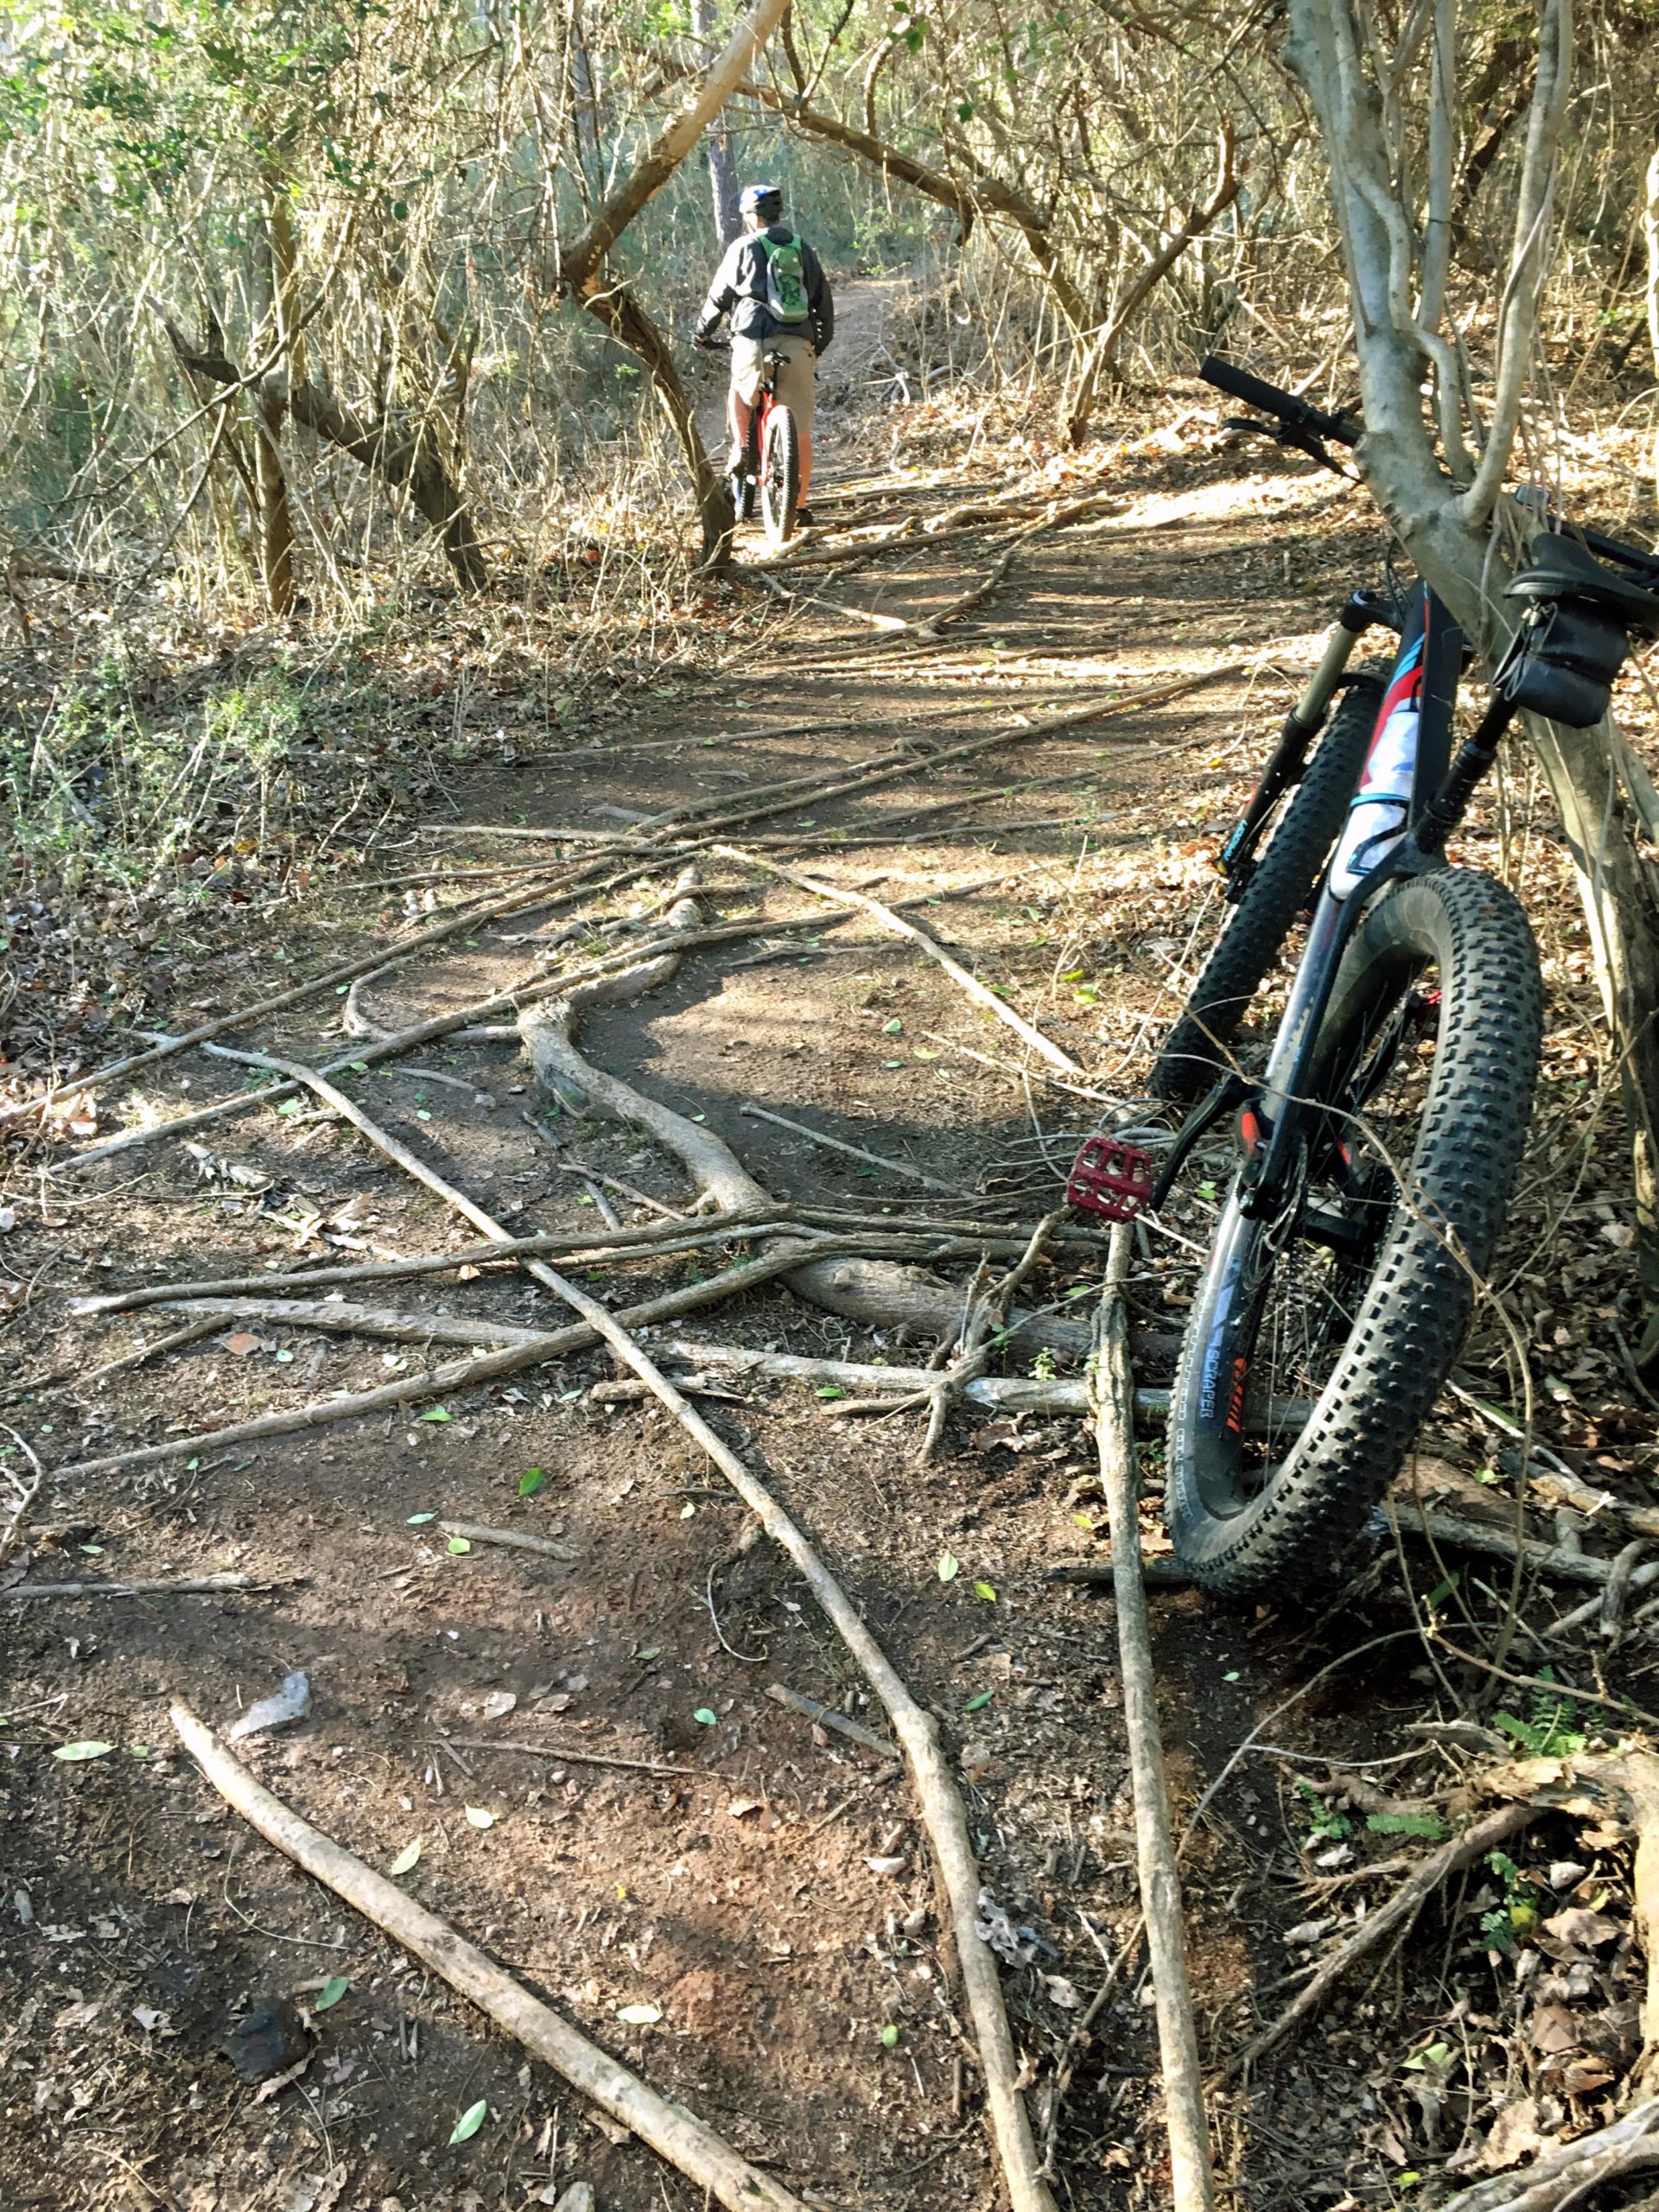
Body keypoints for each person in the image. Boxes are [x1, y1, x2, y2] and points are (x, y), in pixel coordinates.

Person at [695, 183, 833, 523]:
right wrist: (815, 346)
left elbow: (718, 299)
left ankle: (743, 449)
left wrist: (702, 333)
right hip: (797, 340)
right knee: (799, 427)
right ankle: (798, 507)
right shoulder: (803, 249)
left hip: (751, 337)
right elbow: (823, 305)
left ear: (751, 217)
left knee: (740, 394)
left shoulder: (742, 247)